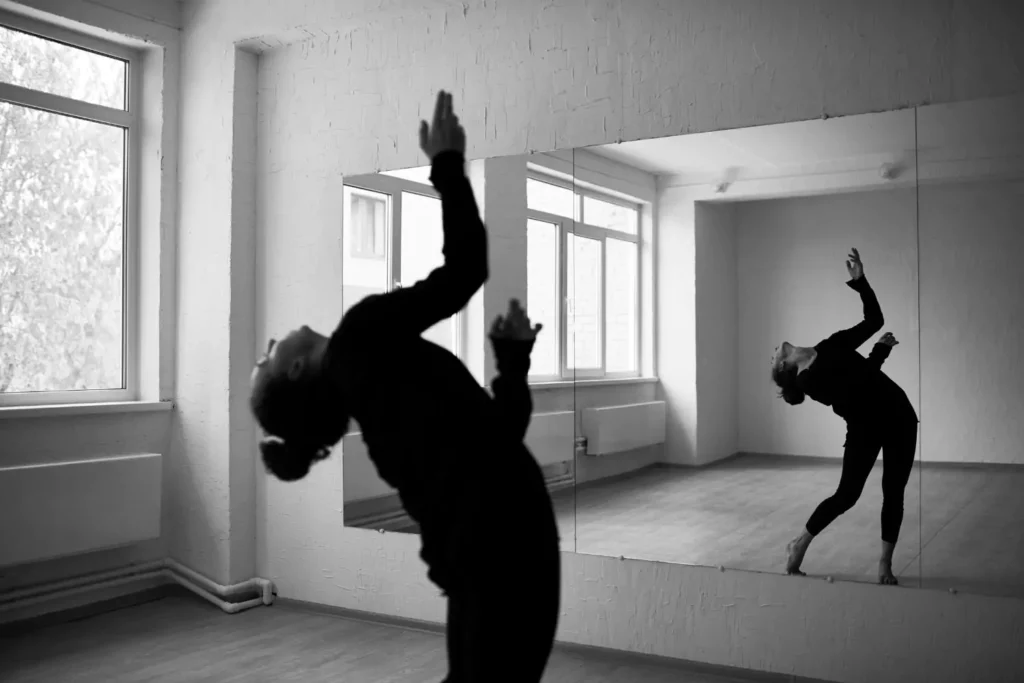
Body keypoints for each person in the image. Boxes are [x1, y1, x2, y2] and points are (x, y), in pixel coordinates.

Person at [249, 91, 561, 682]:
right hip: (507, 558)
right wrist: (447, 165)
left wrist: (514, 359)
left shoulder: (380, 421)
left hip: (495, 561)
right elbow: (465, 272)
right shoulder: (359, 340)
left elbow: (497, 439)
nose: (272, 343)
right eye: (266, 357)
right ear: (293, 369)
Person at [771, 248, 919, 585]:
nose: (772, 352)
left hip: (899, 415)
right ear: (786, 368)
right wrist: (879, 353)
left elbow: (874, 321)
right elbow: (858, 390)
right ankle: (800, 543)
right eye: (772, 359)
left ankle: (885, 563)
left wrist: (861, 282)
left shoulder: (831, 344)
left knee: (893, 491)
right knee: (847, 496)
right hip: (865, 426)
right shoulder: (810, 382)